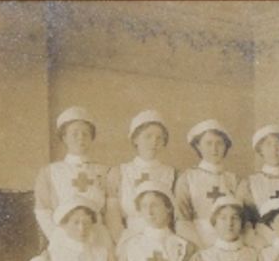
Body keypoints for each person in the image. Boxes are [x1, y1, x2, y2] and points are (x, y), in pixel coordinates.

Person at [33, 106, 108, 247]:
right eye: (75, 134)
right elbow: (43, 211)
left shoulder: (105, 171)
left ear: (92, 138)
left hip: (98, 240)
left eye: (86, 134)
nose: (81, 138)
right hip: (62, 240)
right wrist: (60, 240)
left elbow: (109, 212)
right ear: (64, 138)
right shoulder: (49, 172)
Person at [106, 109, 178, 237]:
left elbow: (176, 218)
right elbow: (113, 219)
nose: (154, 142)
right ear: (135, 139)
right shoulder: (119, 173)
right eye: (148, 136)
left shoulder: (173, 174)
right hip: (128, 239)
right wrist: (123, 244)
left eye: (159, 137)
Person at [175, 119, 241, 247]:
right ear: (198, 146)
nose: (214, 149)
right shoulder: (187, 178)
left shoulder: (235, 180)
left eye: (219, 143)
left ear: (226, 146)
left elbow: (242, 219)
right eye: (208, 143)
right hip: (197, 241)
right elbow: (182, 221)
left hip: (230, 241)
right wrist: (200, 248)